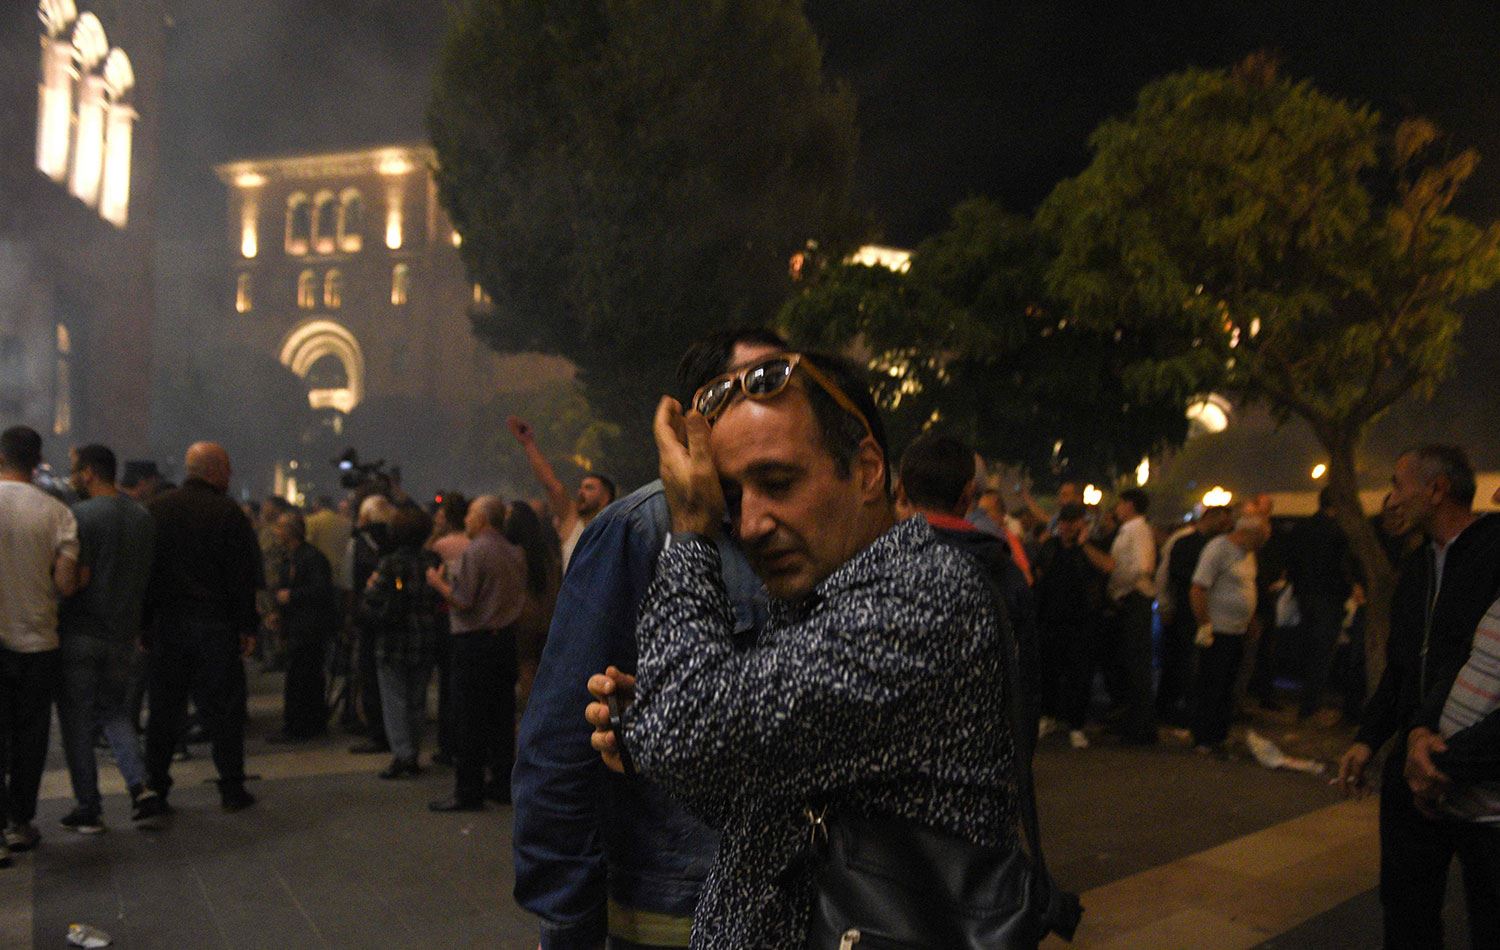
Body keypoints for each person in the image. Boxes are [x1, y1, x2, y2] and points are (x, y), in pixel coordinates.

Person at [585, 350, 1019, 948]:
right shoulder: (822, 599)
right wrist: (654, 724)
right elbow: (756, 803)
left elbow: (685, 738)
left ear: (866, 470)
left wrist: (690, 531)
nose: (751, 524)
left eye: (778, 484)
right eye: (730, 497)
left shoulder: (922, 598)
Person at [511, 328, 782, 950]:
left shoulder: (816, 528)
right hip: (673, 910)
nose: (770, 407)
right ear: (694, 421)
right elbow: (559, 741)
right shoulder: (638, 529)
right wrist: (570, 920)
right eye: (748, 387)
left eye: (780, 385)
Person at [1337, 446, 1500, 949]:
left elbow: (1469, 662)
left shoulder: (1493, 553)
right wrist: (1369, 739)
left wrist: (1447, 753)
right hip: (1412, 765)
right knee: (1407, 912)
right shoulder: (1417, 566)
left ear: (1436, 489)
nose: (1390, 499)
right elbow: (1403, 667)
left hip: (1480, 775)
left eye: (1398, 484)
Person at [143, 442, 262, 813]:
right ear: (213, 471)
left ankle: (156, 787)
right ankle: (231, 787)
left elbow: (146, 574)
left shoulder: (157, 510)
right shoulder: (228, 513)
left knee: (164, 710)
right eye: (226, 467)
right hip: (215, 625)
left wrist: (143, 624)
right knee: (224, 711)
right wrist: (247, 626)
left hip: (168, 625)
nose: (230, 474)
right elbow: (242, 576)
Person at [896, 433, 1036, 737]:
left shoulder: (877, 567)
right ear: (967, 495)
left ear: (901, 491)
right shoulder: (1002, 570)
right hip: (985, 743)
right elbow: (1023, 682)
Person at [55, 444, 164, 834]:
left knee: (77, 723)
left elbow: (76, 580)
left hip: (82, 633)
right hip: (123, 633)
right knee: (115, 712)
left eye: (74, 469)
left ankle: (89, 807)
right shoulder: (142, 517)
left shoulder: (81, 515)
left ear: (88, 472)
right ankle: (140, 787)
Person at [0, 426, 80, 862]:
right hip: (38, 640)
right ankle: (19, 822)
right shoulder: (58, 513)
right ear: (37, 461)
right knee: (31, 737)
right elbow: (66, 584)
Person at [424, 495, 528, 811]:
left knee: (469, 719)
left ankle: (468, 790)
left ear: (482, 519)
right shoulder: (515, 551)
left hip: (475, 643)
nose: (466, 519)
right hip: (504, 641)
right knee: (501, 717)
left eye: (470, 514)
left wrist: (438, 583)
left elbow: (464, 599)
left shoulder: (477, 550)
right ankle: (501, 783)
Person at [364, 508, 442, 778]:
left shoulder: (390, 564)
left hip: (393, 640)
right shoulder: (431, 561)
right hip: (425, 637)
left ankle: (403, 754)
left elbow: (373, 597)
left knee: (394, 700)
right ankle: (414, 751)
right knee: (417, 700)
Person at [1187, 516, 1271, 752]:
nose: (1260, 546)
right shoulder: (1218, 550)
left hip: (1238, 629)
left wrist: (1250, 619)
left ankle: (1219, 733)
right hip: (1218, 629)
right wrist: (1205, 623)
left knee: (1228, 684)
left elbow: (1246, 586)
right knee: (1212, 683)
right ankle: (1203, 736)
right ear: (1246, 532)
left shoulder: (1248, 554)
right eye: (1260, 540)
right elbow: (1198, 588)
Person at [1034, 503, 1111, 749]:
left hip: (1083, 622)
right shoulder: (1050, 546)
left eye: (1073, 521)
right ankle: (1048, 716)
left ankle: (1076, 725)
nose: (1068, 526)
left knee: (1080, 675)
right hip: (1051, 621)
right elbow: (1037, 573)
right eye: (1065, 521)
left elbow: (1108, 566)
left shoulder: (1091, 547)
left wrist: (1083, 544)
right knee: (1049, 672)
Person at [1156, 505, 1234, 726]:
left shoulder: (1214, 543)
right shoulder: (1185, 543)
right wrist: (1166, 605)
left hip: (1201, 610)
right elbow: (1172, 574)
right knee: (1183, 660)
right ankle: (1174, 706)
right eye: (1221, 522)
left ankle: (1185, 707)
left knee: (1191, 661)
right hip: (1186, 610)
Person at [1285, 487, 1358, 719]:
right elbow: (1343, 565)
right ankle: (1312, 705)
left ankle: (1308, 702)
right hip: (1329, 598)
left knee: (1310, 649)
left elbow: (1292, 561)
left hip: (1305, 597)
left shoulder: (1302, 528)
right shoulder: (1338, 531)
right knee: (1323, 652)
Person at [507, 415, 617, 568]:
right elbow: (552, 486)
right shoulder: (572, 521)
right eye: (581, 487)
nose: (581, 492)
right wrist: (529, 444)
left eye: (589, 488)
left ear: (605, 497)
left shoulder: (616, 531)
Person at [267, 511, 336, 742]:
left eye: (280, 527)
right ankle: (303, 722)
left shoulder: (312, 558)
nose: (276, 532)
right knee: (299, 675)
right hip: (297, 625)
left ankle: (301, 725)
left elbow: (321, 590)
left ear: (291, 531)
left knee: (304, 677)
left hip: (309, 627)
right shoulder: (292, 557)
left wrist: (293, 596)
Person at [1103, 487, 1158, 744]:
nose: (1117, 508)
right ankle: (1130, 721)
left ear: (1130, 505)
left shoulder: (1138, 530)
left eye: (1120, 503)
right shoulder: (1130, 530)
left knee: (1137, 665)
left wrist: (1119, 584)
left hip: (1134, 598)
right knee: (1127, 663)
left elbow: (1142, 567)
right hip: (1128, 599)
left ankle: (1141, 726)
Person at [347, 493, 396, 754]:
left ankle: (376, 732)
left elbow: (349, 582)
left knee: (368, 675)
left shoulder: (359, 542)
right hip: (393, 617)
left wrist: (351, 615)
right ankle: (395, 731)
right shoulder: (396, 539)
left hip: (367, 615)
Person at [503, 500, 563, 713]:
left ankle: (532, 713)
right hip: (546, 618)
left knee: (526, 666)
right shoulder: (546, 552)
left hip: (522, 620)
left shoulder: (513, 553)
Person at [427, 493, 469, 766]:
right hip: (469, 622)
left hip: (446, 614)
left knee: (447, 682)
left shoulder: (441, 546)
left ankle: (448, 743)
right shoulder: (472, 542)